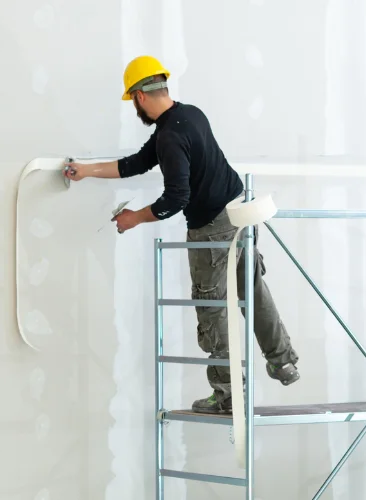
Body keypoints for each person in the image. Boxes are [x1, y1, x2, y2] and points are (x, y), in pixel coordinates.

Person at [64, 55, 299, 414]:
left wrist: (133, 219)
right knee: (252, 290)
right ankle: (283, 362)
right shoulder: (188, 115)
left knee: (212, 308)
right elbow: (137, 163)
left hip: (212, 229)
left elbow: (176, 198)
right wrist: (88, 169)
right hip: (240, 212)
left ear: (140, 97)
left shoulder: (170, 135)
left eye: (133, 102)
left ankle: (229, 397)